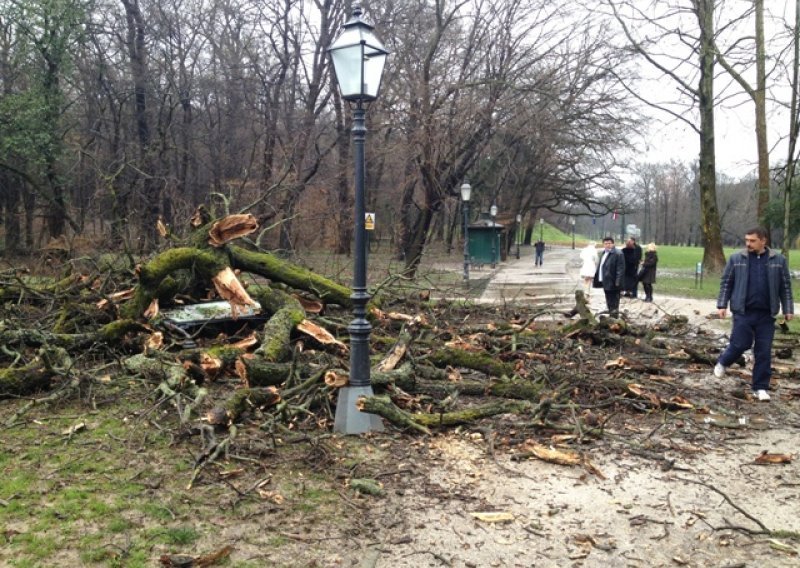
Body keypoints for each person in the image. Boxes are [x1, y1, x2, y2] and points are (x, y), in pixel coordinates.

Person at [714, 226, 794, 401]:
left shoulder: (778, 260)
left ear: (763, 240)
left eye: (752, 240)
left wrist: (788, 308)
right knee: (740, 343)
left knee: (763, 351)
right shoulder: (737, 259)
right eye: (747, 240)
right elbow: (726, 282)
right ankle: (724, 361)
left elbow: (785, 286)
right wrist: (722, 304)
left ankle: (760, 388)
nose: (748, 244)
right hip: (743, 311)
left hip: (766, 314)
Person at [593, 236, 625, 316]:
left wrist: (618, 282)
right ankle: (611, 316)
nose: (607, 245)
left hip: (613, 282)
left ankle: (614, 318)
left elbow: (620, 269)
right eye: (606, 243)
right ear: (603, 244)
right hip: (605, 281)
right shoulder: (604, 253)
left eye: (609, 243)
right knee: (609, 300)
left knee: (614, 301)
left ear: (613, 244)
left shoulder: (618, 253)